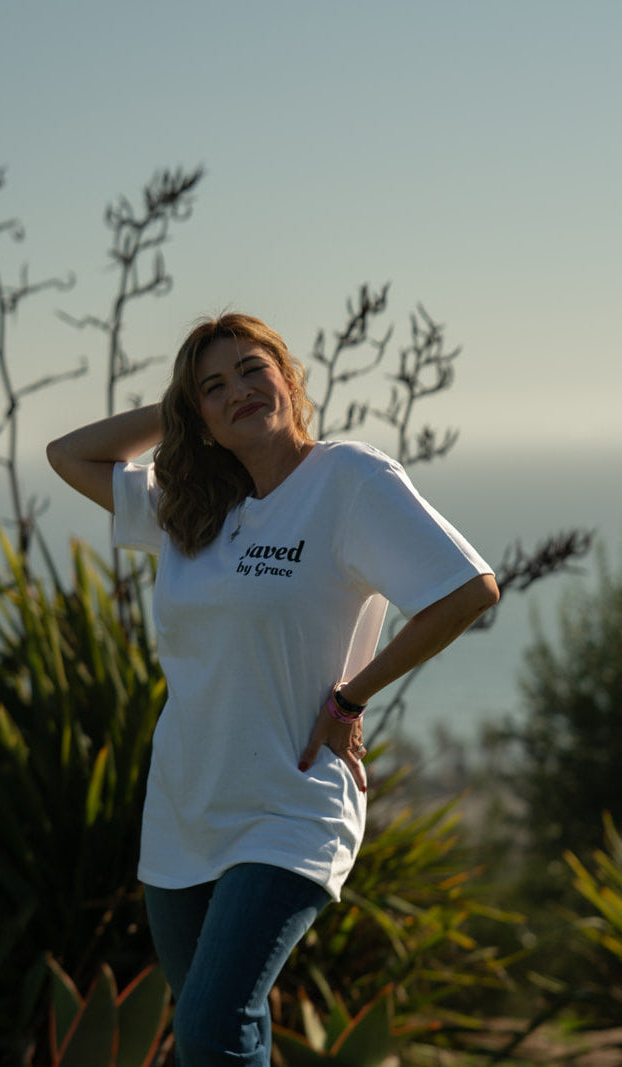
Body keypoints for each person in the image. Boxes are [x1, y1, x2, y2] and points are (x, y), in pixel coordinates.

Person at [46, 312, 499, 1066]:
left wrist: (351, 697)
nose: (240, 391)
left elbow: (466, 589)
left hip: (290, 804)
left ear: (289, 378)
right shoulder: (193, 507)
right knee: (212, 1045)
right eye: (215, 386)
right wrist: (185, 408)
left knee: (213, 1027)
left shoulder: (348, 479)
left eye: (254, 370)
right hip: (185, 810)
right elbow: (70, 455)